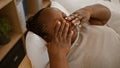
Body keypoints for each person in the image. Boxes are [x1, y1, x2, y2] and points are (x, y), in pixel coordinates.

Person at [26, 3, 120, 68]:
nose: (67, 22)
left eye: (64, 16)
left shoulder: (85, 25)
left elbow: (106, 15)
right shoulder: (59, 61)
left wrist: (88, 10)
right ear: (47, 38)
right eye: (59, 26)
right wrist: (59, 55)